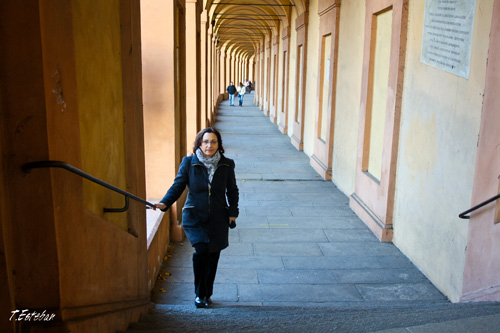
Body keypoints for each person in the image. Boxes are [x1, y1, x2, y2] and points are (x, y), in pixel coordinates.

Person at [154, 128, 239, 308]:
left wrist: (233, 212)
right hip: (194, 217)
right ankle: (199, 294)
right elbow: (178, 186)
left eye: (213, 141)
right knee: (201, 252)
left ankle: (208, 292)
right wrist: (164, 203)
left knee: (214, 254)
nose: (209, 145)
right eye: (206, 141)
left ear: (219, 144)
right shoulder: (189, 163)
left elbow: (232, 190)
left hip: (218, 218)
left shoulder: (227, 164)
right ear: (199, 143)